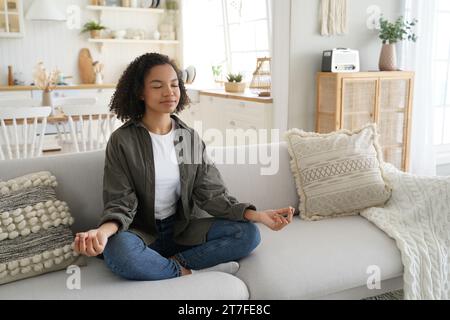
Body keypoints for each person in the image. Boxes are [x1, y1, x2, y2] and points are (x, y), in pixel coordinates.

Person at [73, 53, 294, 280]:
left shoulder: (189, 138)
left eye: (174, 84)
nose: (169, 92)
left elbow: (212, 194)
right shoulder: (122, 141)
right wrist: (102, 232)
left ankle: (170, 264)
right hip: (141, 233)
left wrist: (259, 216)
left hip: (182, 230)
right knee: (118, 251)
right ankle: (185, 271)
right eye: (157, 86)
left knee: (248, 235)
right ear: (140, 92)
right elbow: (120, 202)